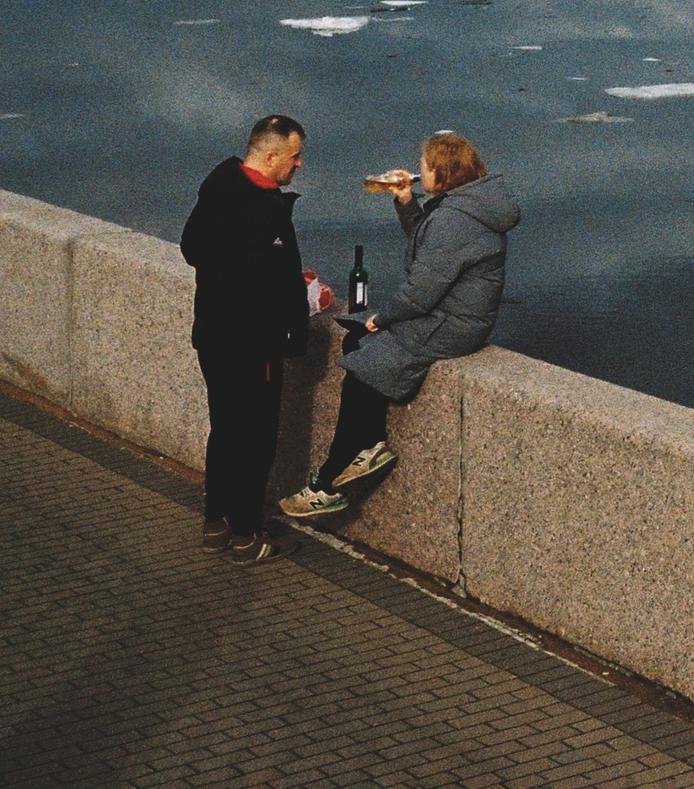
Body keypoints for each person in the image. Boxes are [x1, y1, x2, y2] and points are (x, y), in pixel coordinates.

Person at [281, 132, 518, 518]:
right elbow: (434, 250)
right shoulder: (468, 207)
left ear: (440, 172)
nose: (418, 172)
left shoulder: (457, 219)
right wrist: (407, 201)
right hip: (452, 316)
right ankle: (370, 444)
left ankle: (326, 483)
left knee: (361, 371)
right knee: (355, 342)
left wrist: (383, 317)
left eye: (423, 166)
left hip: (449, 325)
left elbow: (422, 291)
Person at [181, 114, 313, 564]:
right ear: (271, 154)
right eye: (295, 157)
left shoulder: (218, 190)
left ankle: (215, 523)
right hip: (252, 340)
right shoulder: (259, 206)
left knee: (225, 431)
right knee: (255, 438)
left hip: (213, 333)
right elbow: (259, 276)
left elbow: (193, 250)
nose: (299, 166)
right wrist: (292, 298)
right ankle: (246, 535)